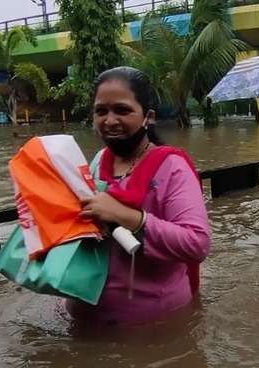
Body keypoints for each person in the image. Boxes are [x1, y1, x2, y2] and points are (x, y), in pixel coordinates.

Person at [64, 66, 211, 327]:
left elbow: (196, 244)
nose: (109, 121)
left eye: (122, 110)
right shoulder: (98, 161)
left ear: (148, 116)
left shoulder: (172, 167)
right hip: (86, 315)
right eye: (101, 111)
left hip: (153, 328)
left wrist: (127, 217)